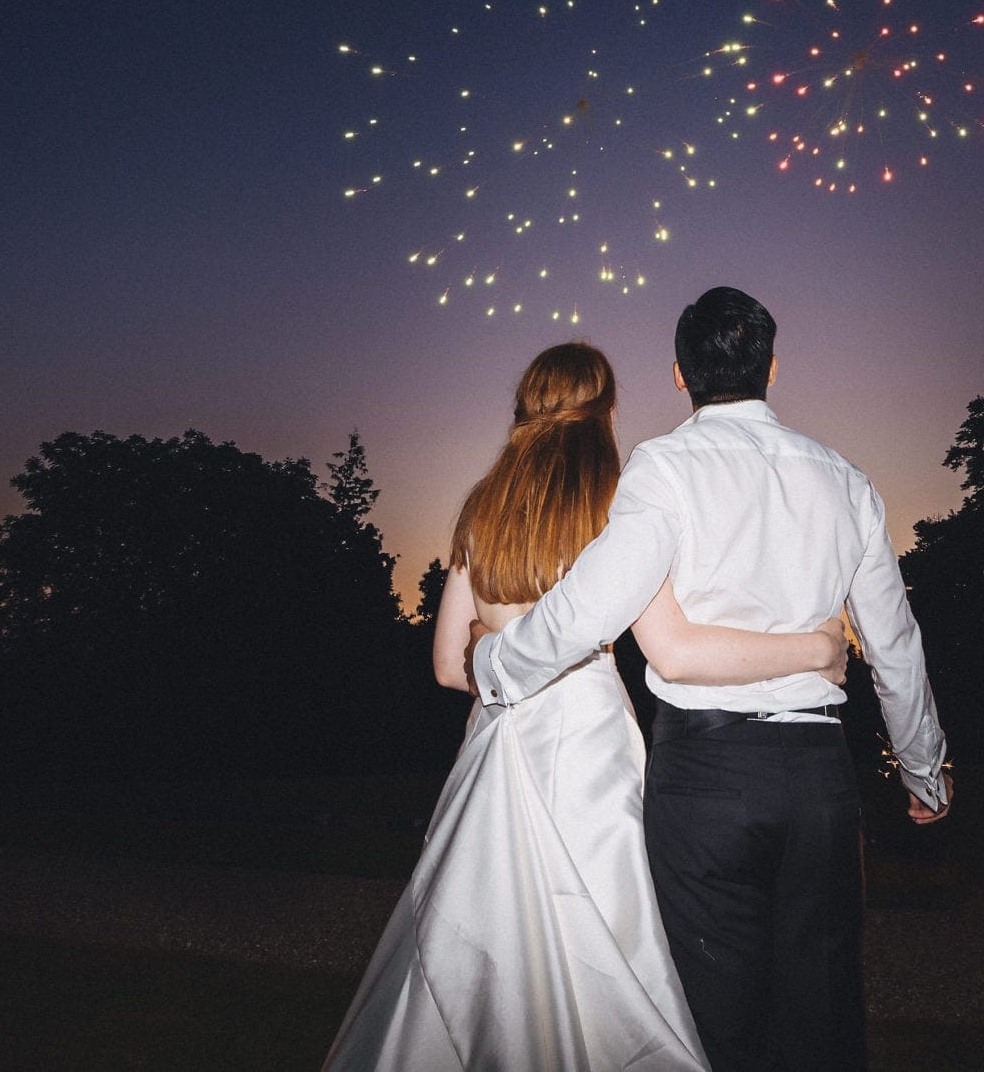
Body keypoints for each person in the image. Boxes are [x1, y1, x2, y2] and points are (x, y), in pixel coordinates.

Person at [324, 342, 848, 1071]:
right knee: (608, 942)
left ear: (526, 405)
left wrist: (491, 640)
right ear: (605, 407)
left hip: (494, 750)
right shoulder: (617, 500)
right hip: (588, 741)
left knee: (486, 938)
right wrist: (816, 648)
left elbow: (448, 665)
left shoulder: (481, 508)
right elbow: (670, 638)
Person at [470, 287, 951, 1072]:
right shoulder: (846, 481)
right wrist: (925, 771)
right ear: (771, 366)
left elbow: (589, 607)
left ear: (678, 375)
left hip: (705, 778)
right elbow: (895, 641)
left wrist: (493, 663)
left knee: (714, 1024)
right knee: (823, 1014)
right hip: (819, 780)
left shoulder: (663, 468)